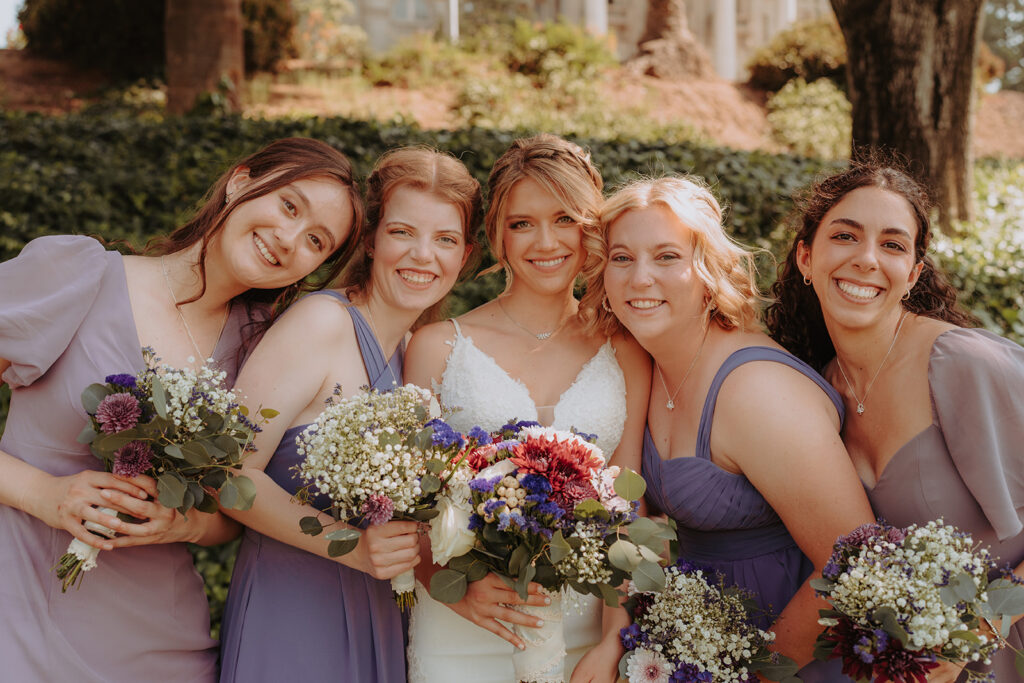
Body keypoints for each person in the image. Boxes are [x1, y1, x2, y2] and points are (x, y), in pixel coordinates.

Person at [0, 137, 362, 682]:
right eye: (289, 206)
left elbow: (229, 515)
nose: (289, 240)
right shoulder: (83, 274)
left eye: (316, 241)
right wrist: (44, 494)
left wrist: (183, 524)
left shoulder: (268, 353)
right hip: (19, 603)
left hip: (162, 643)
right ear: (241, 181)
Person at [584, 176, 874, 680]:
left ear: (709, 270)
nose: (639, 279)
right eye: (622, 258)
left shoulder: (756, 392)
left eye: (667, 257)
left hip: (791, 655)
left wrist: (756, 674)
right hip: (697, 648)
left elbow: (856, 563)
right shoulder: (649, 364)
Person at [217, 147, 482, 682]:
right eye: (403, 232)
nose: (423, 255)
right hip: (292, 610)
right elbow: (225, 474)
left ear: (465, 256)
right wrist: (353, 546)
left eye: (445, 239)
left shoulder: (417, 353)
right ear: (371, 240)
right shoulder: (320, 322)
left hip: (380, 608)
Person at [403, 133, 651, 683]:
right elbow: (411, 507)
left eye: (565, 218)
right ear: (498, 235)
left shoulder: (626, 346)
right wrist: (450, 587)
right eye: (522, 223)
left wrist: (614, 637)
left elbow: (628, 506)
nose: (546, 241)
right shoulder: (437, 345)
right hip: (465, 624)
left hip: (586, 629)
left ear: (592, 227)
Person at [766, 161, 1024, 683]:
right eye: (845, 236)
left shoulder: (963, 365)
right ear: (807, 256)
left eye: (892, 244)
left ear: (913, 272)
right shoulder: (816, 392)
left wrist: (981, 626)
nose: (866, 259)